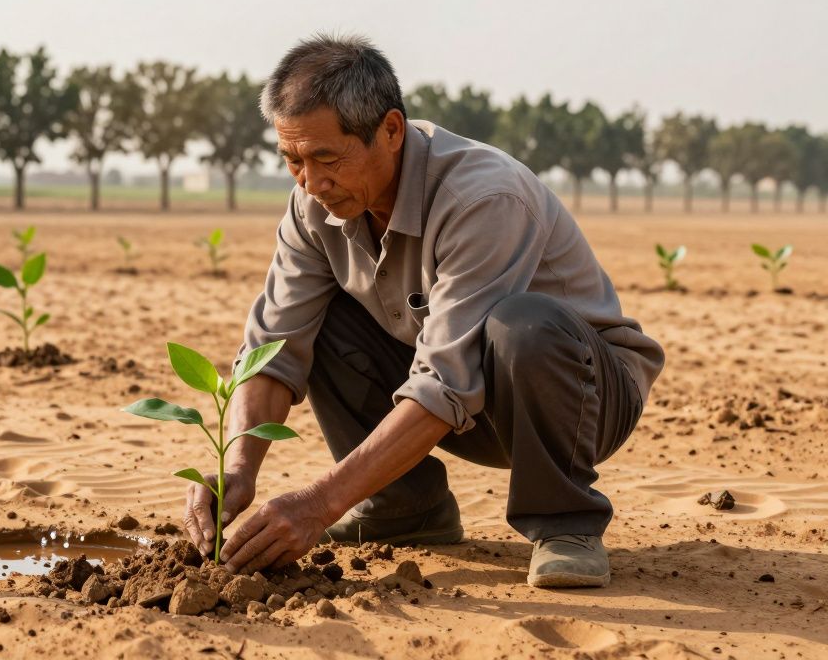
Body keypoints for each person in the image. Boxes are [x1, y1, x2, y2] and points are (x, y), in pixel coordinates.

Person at [184, 34, 665, 588]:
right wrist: (238, 468)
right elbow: (274, 346)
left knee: (523, 326)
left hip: (578, 399)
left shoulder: (482, 198)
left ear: (390, 130)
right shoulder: (313, 207)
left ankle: (566, 523)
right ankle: (404, 508)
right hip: (460, 398)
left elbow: (447, 383)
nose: (312, 184)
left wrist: (320, 504)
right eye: (293, 161)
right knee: (324, 318)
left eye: (326, 158)